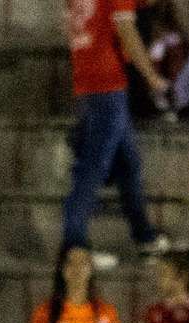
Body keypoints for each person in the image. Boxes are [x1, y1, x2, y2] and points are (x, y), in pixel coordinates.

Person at [63, 0, 173, 261]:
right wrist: (151, 76)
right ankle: (74, 246)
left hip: (88, 80)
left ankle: (144, 236)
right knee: (92, 168)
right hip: (108, 83)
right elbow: (126, 30)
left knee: (128, 163)